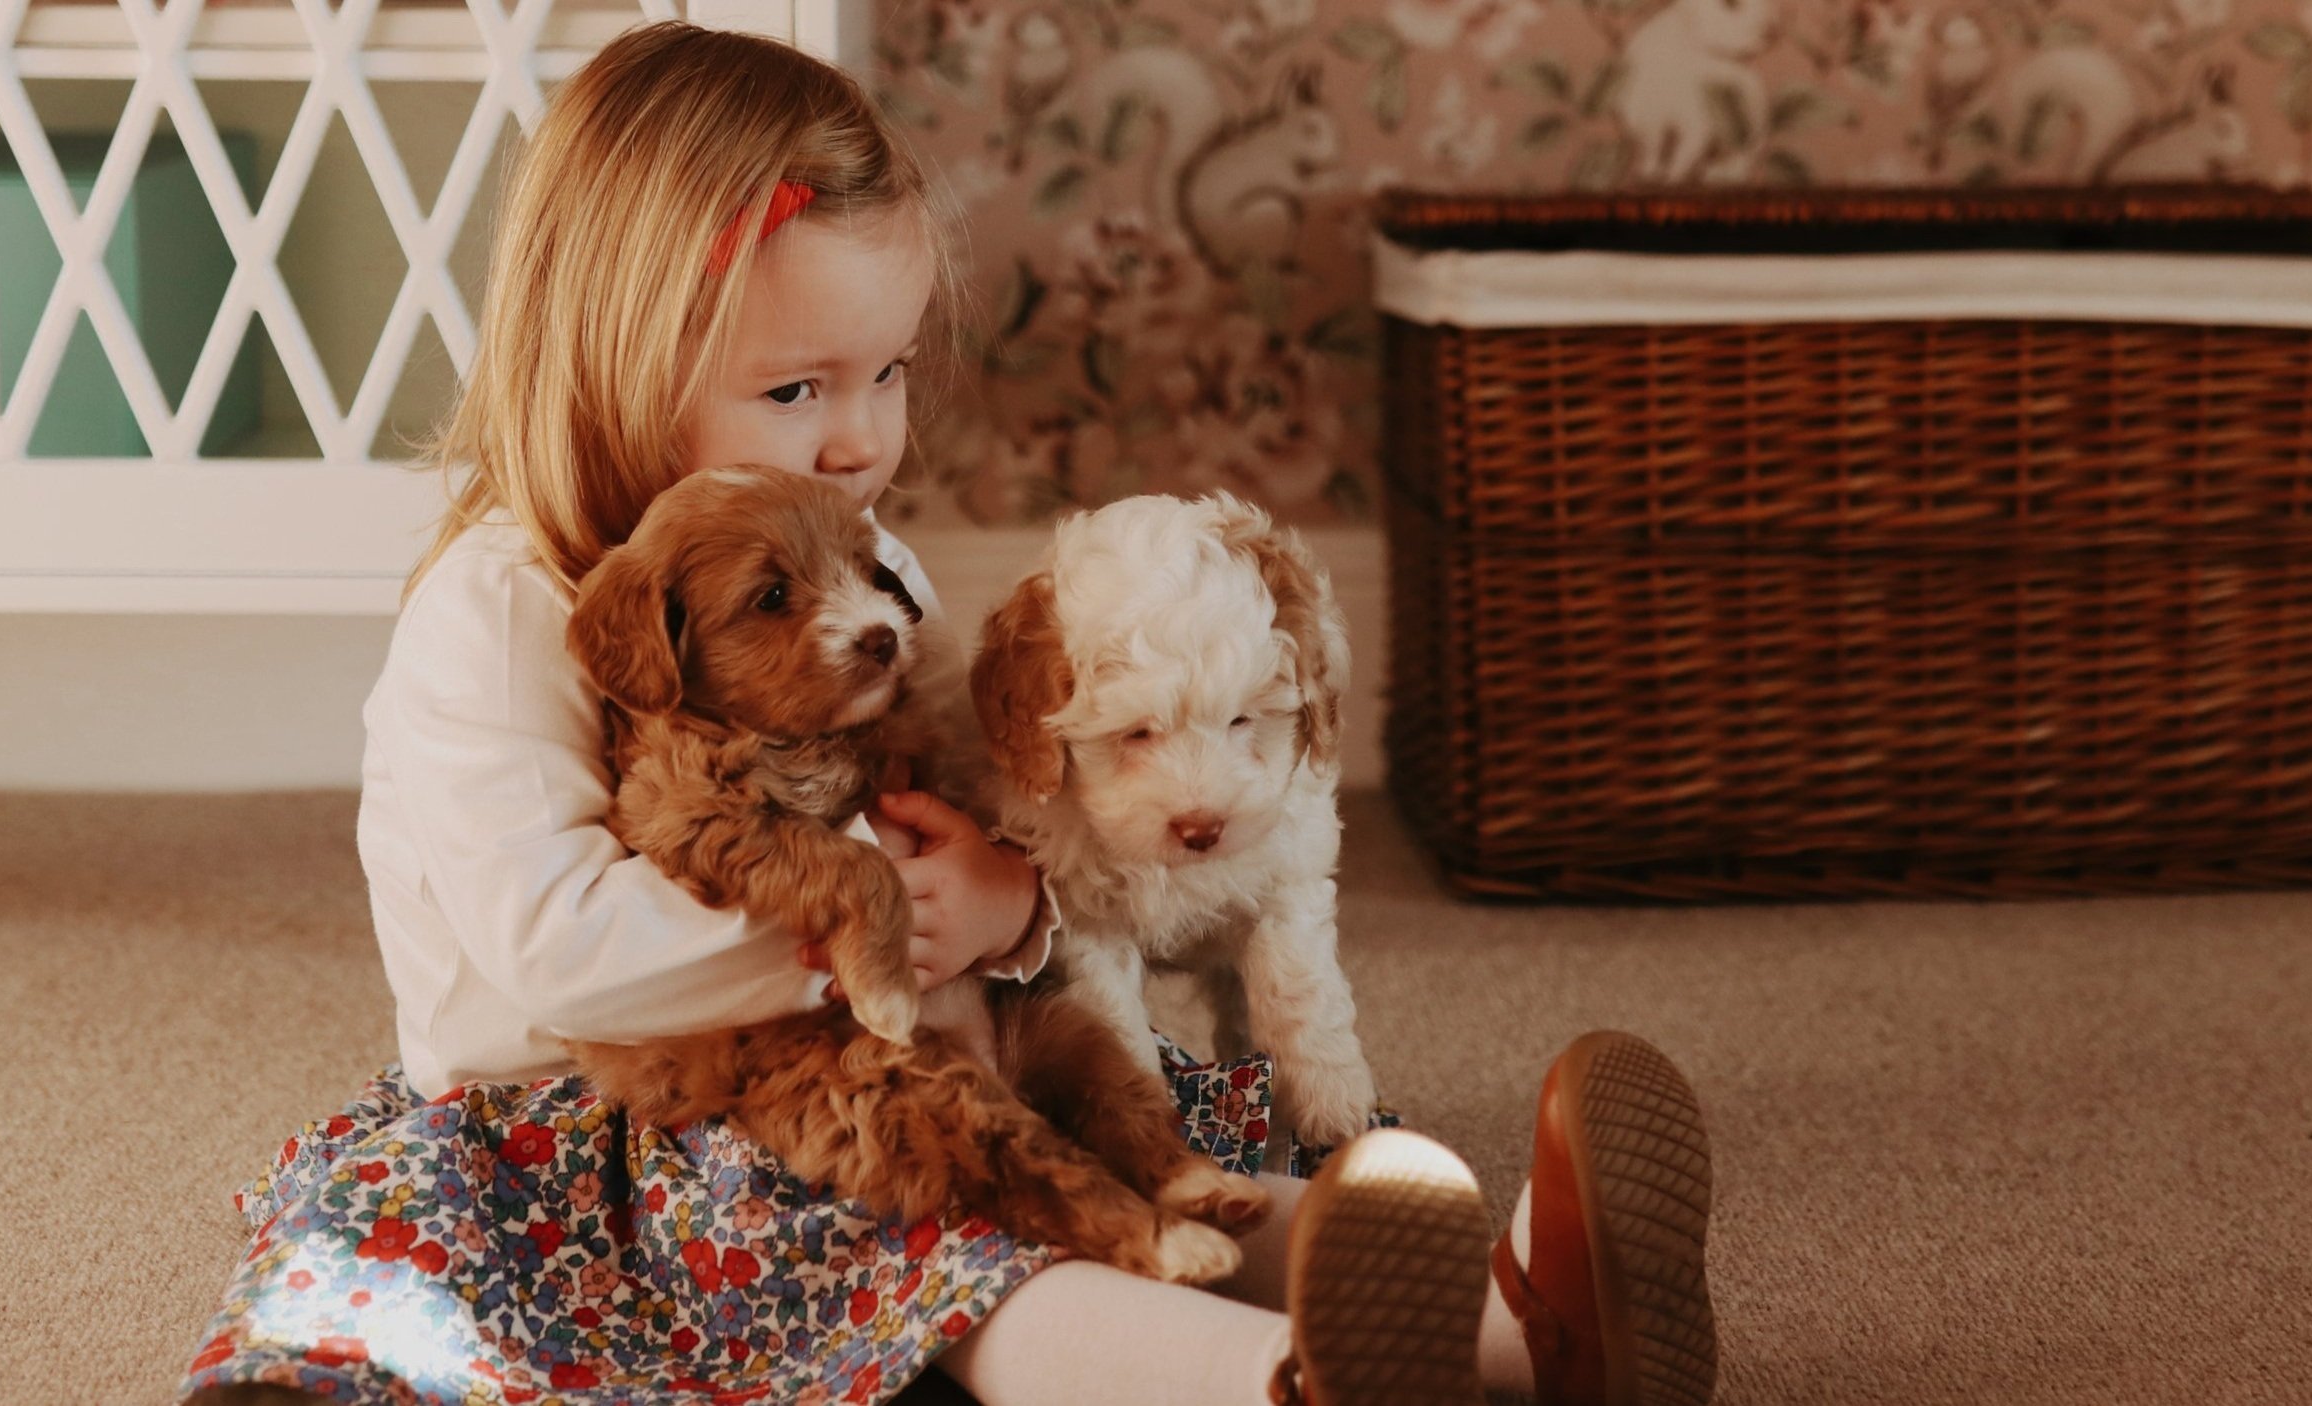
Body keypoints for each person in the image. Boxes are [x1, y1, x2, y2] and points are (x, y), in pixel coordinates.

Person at [178, 23, 1717, 1406]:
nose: (859, 437)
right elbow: (548, 946)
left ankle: (1528, 1316)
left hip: (908, 1040)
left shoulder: (867, 568)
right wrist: (876, 929)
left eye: (888, 371)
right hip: (615, 1124)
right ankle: (1279, 1379)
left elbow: (969, 807)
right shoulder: (504, 604)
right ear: (615, 356)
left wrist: (1006, 902)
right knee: (940, 1250)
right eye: (797, 390)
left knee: (1134, 1146)